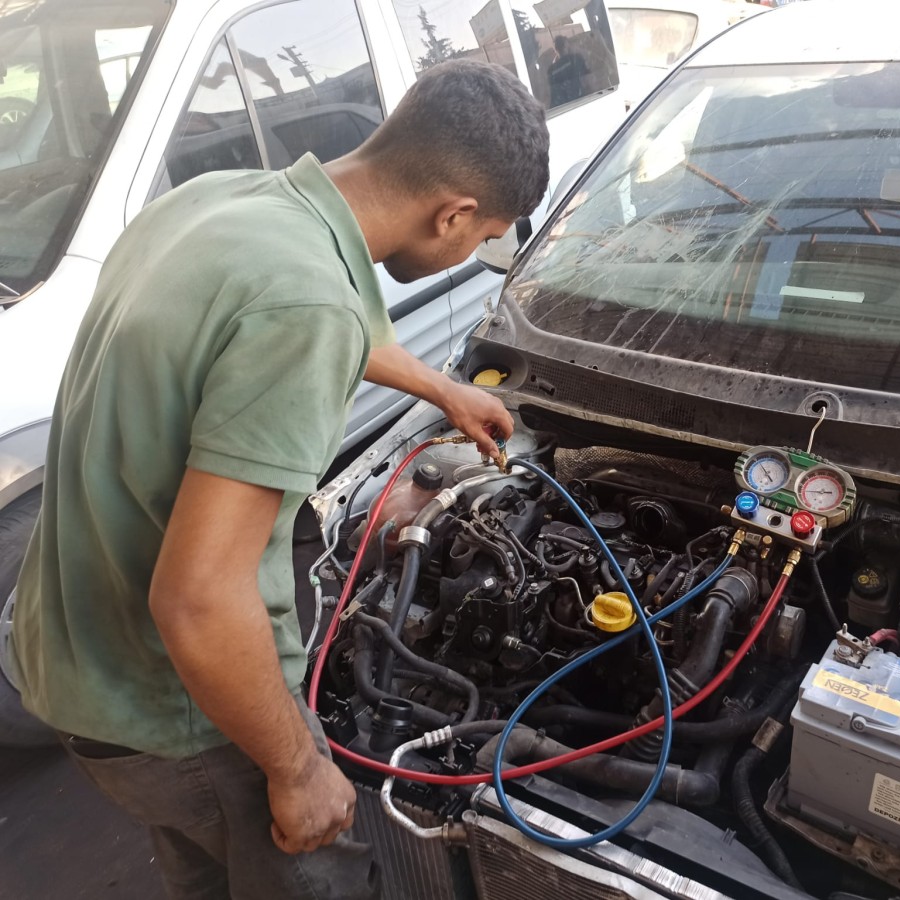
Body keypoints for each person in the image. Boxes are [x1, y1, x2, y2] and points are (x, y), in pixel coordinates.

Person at [6, 60, 549, 900]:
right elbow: (197, 600)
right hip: (177, 704)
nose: (473, 252)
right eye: (483, 240)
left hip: (70, 657)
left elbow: (296, 317)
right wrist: (297, 770)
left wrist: (442, 388)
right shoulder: (304, 304)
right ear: (454, 213)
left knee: (205, 873)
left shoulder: (225, 202)